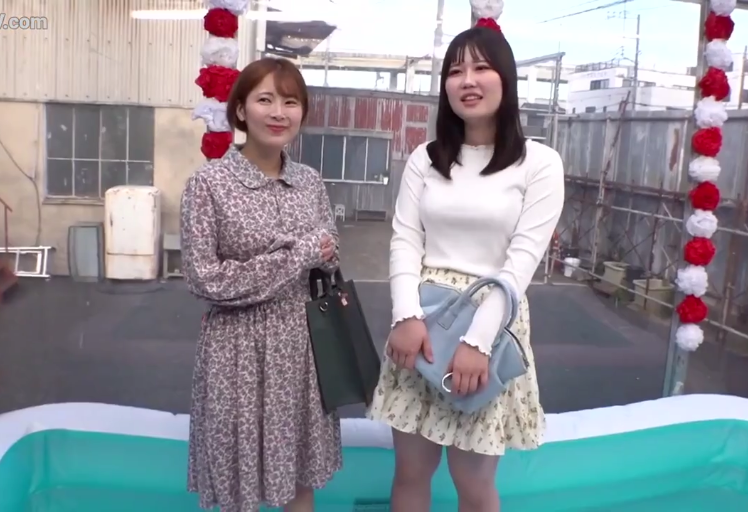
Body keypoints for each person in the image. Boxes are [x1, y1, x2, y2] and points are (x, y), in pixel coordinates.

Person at [366, 24, 565, 511]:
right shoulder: (426, 159)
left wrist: (477, 343)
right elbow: (406, 239)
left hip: (491, 326)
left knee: (472, 484)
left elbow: (520, 264)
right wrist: (405, 316)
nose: (467, 80)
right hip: (424, 324)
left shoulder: (539, 163)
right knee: (410, 473)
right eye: (455, 71)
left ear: (506, 79)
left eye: (481, 68)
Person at [181, 57, 341, 512]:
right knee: (237, 479)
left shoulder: (309, 182)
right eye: (265, 99)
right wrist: (299, 255)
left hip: (303, 347)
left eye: (290, 102)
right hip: (236, 352)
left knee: (299, 476)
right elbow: (204, 278)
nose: (278, 113)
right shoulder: (208, 185)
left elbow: (329, 251)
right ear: (240, 110)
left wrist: (327, 253)